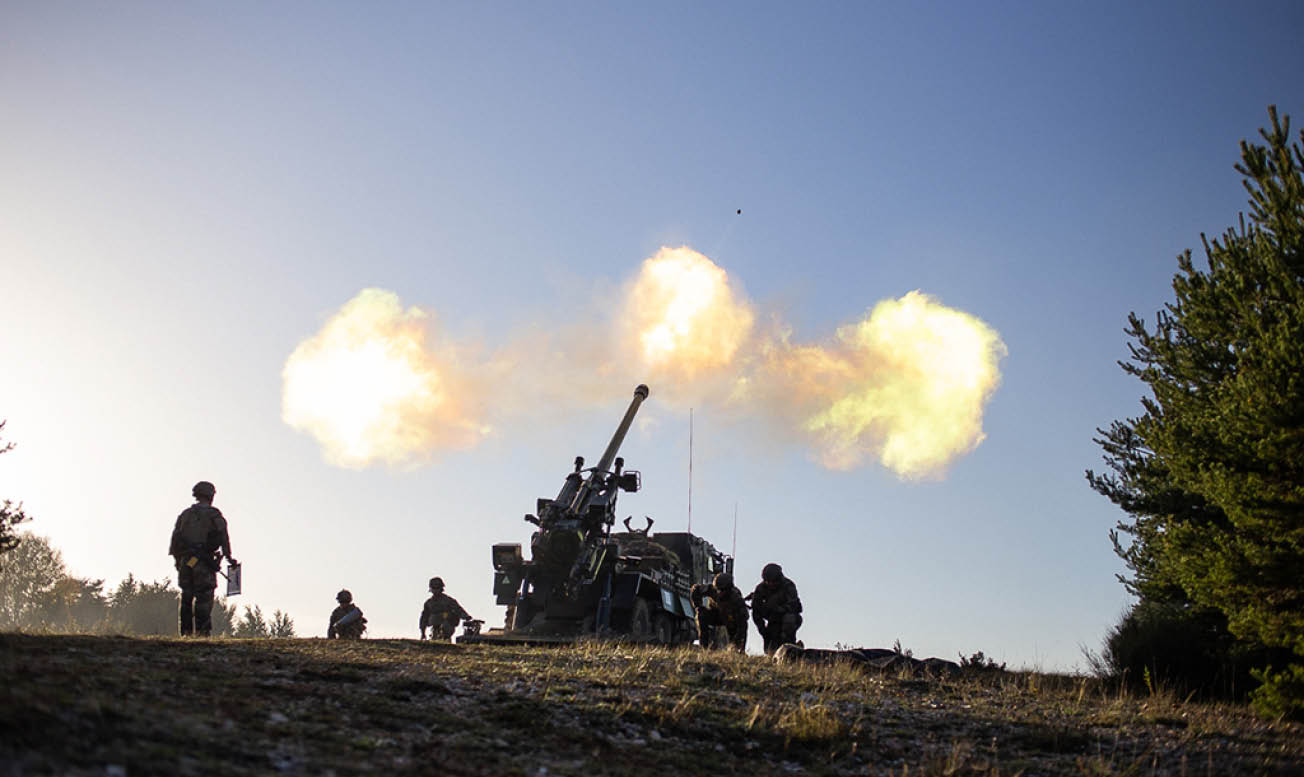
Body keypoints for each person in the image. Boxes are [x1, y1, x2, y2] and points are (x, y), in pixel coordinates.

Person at [168, 480, 235, 637]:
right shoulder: (214, 515)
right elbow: (223, 537)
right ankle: (202, 634)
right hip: (204, 563)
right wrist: (228, 557)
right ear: (211, 496)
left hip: (186, 562)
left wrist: (178, 562)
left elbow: (175, 540)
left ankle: (186, 633)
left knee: (186, 596)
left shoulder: (185, 515)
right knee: (204, 597)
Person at [750, 562, 802, 655]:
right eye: (767, 581)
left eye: (773, 581)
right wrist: (763, 630)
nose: (770, 584)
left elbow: (793, 606)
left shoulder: (788, 586)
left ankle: (790, 647)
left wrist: (777, 610)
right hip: (772, 620)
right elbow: (756, 610)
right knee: (770, 650)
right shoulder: (761, 588)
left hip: (788, 618)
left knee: (789, 621)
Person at [690, 571, 749, 651]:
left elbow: (743, 623)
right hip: (716, 615)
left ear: (728, 589)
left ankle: (735, 649)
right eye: (717, 589)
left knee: (734, 643)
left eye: (722, 590)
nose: (719, 592)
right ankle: (704, 647)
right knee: (701, 615)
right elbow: (695, 589)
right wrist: (698, 606)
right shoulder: (711, 589)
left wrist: (739, 644)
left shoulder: (737, 599)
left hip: (731, 620)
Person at [420, 577, 472, 641]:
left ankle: (444, 638)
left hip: (448, 625)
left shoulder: (448, 601)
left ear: (441, 589)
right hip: (435, 627)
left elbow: (458, 609)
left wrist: (466, 616)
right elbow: (424, 618)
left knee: (446, 625)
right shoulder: (429, 603)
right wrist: (423, 632)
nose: (436, 591)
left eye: (437, 588)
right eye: (434, 588)